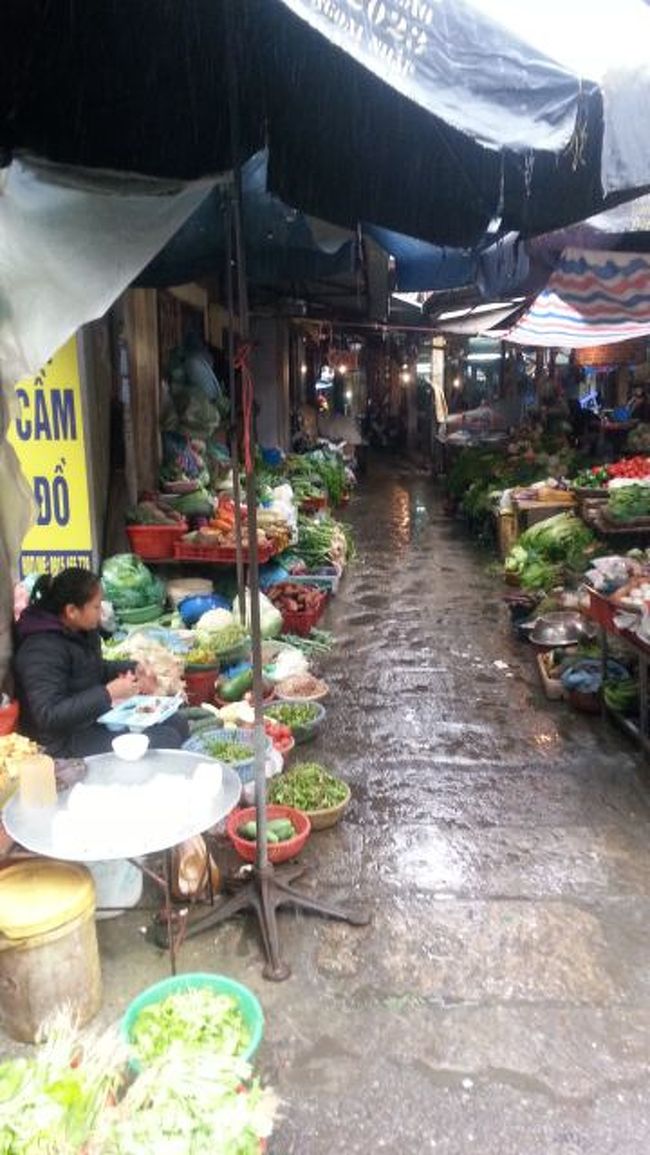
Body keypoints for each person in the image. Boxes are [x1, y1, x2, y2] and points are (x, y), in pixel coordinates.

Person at [13, 568, 188, 757]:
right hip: (63, 743)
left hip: (91, 721)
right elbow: (48, 715)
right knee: (166, 738)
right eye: (96, 607)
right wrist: (108, 693)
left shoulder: (81, 631)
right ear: (72, 611)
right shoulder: (40, 650)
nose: (102, 611)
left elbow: (92, 670)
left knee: (178, 723)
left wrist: (133, 669)